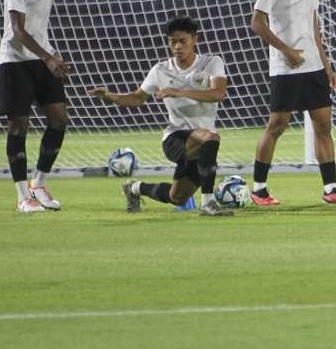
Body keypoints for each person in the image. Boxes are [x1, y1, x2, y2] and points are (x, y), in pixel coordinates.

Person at [89, 15, 233, 216]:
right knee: (210, 137)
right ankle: (208, 204)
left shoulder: (211, 63)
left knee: (177, 197)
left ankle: (134, 188)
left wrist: (180, 92)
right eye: (172, 42)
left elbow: (218, 93)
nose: (177, 47)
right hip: (175, 138)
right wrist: (110, 96)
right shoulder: (161, 70)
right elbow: (137, 98)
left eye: (182, 41)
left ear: (195, 40)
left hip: (201, 148)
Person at [249, 0, 336, 206]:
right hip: (286, 67)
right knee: (277, 125)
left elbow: (314, 24)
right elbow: (257, 22)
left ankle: (331, 188)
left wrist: (326, 64)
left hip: (313, 66)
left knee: (323, 125)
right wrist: (286, 50)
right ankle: (259, 188)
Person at [0, 0, 70, 213]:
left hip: (42, 57)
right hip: (15, 60)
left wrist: (50, 54)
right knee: (19, 125)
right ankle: (22, 196)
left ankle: (38, 183)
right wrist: (48, 58)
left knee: (59, 119)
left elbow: (40, 25)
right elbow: (17, 31)